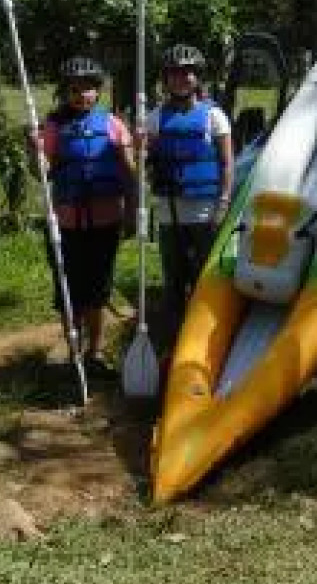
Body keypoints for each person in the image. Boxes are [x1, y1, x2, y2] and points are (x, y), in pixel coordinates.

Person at [35, 56, 137, 368]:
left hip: (105, 223)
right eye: (75, 90)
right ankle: (74, 351)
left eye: (89, 89)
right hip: (66, 225)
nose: (82, 95)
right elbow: (43, 170)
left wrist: (133, 212)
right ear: (64, 92)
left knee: (97, 293)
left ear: (98, 92)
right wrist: (35, 153)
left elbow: (130, 175)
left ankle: (95, 351)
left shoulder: (113, 125)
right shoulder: (53, 127)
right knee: (69, 293)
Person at [146, 43, 235, 353]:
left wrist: (224, 200)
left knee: (205, 279)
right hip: (170, 211)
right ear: (165, 79)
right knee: (174, 282)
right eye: (174, 74)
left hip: (206, 211)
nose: (181, 79)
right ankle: (173, 342)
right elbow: (147, 158)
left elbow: (226, 162)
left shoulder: (214, 117)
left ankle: (208, 340)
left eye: (187, 73)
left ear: (198, 77)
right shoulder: (155, 117)